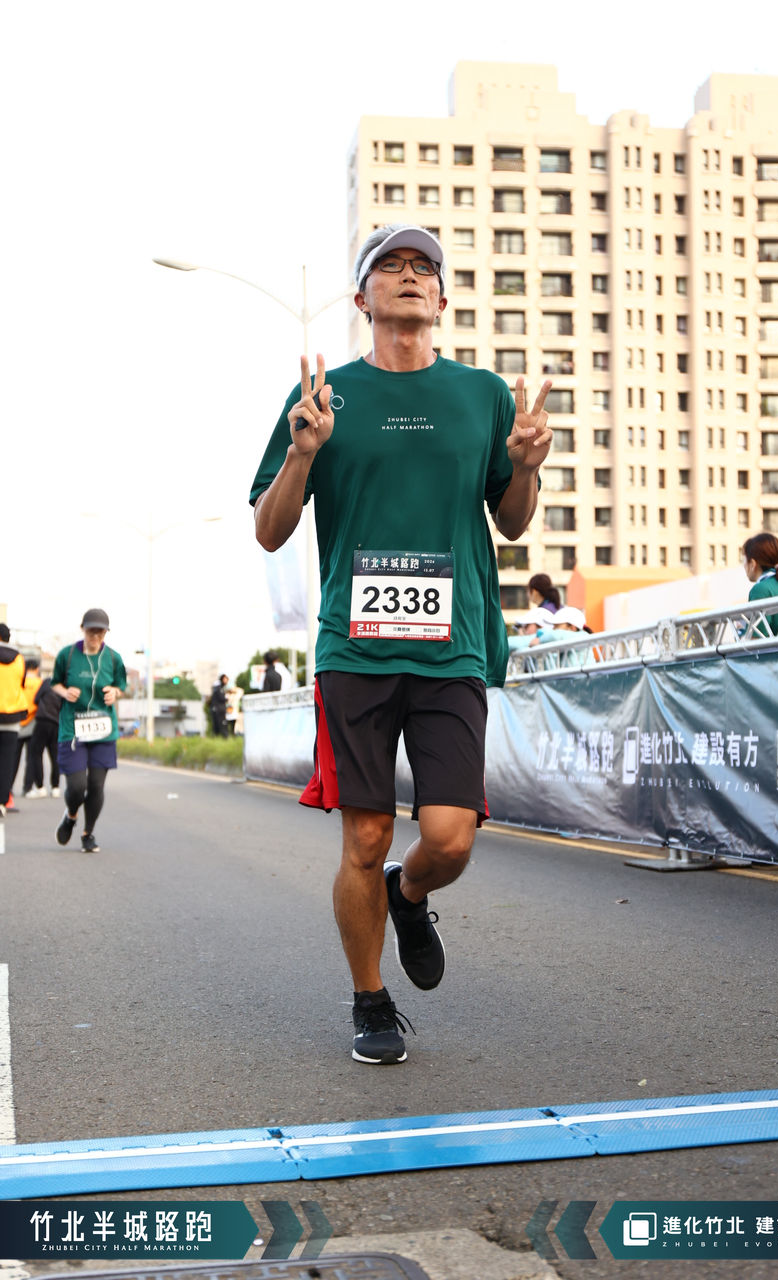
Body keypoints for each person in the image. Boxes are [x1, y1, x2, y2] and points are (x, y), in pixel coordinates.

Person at [250, 222, 552, 1065]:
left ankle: (408, 896)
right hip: (355, 649)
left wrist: (526, 467)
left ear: (443, 299)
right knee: (364, 837)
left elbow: (511, 522)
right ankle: (370, 999)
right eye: (391, 266)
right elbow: (270, 531)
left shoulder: (483, 396)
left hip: (453, 646)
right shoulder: (324, 398)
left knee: (449, 837)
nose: (410, 276)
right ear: (363, 298)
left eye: (425, 267)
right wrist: (302, 456)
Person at [51, 608, 127, 853]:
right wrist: (65, 692)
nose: (95, 636)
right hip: (73, 729)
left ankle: (88, 834)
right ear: (82, 629)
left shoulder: (113, 658)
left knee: (96, 786)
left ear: (106, 633)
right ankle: (71, 815)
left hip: (103, 730)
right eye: (91, 631)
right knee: (76, 786)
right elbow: (54, 683)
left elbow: (121, 686)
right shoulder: (67, 656)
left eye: (100, 632)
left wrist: (114, 692)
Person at [0, 623, 27, 818]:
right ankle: (3, 802)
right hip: (12, 717)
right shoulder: (19, 659)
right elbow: (21, 684)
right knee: (7, 761)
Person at [24, 669, 62, 797]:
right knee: (55, 755)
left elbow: (36, 699)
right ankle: (55, 787)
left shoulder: (47, 682)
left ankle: (40, 786)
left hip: (43, 721)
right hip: (57, 723)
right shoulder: (66, 685)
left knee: (36, 753)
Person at [12, 658, 41, 797]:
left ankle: (7, 788)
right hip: (33, 723)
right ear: (37, 669)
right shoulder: (39, 683)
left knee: (12, 758)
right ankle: (27, 788)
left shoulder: (18, 681)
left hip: (17, 721)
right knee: (31, 757)